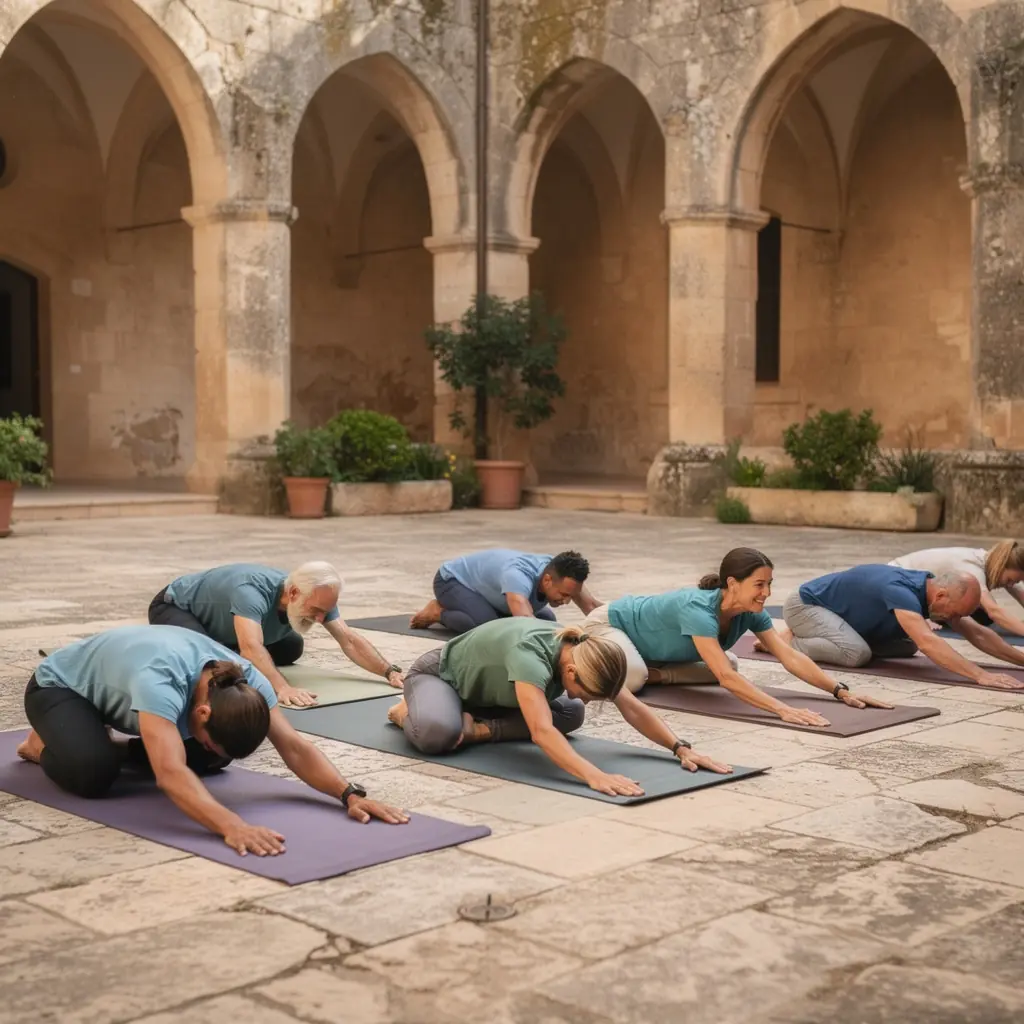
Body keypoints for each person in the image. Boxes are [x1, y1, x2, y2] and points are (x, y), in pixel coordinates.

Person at [17, 625, 408, 856]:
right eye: (204, 736)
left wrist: (350, 794)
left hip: (122, 687)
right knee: (92, 773)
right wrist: (230, 825)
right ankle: (45, 744)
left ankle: (101, 742)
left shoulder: (248, 683)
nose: (202, 742)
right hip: (62, 687)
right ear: (202, 713)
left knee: (211, 759)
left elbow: (294, 745)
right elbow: (169, 773)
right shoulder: (162, 681)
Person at [385, 618, 731, 797]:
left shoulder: (585, 652)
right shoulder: (531, 658)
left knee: (571, 713)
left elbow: (632, 706)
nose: (582, 696)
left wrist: (681, 747)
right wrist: (594, 775)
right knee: (437, 735)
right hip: (442, 676)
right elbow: (540, 732)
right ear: (569, 671)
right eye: (585, 691)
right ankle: (407, 711)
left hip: (493, 694)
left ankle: (478, 729)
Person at [582, 548, 893, 728]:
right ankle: (642, 670)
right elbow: (726, 681)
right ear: (733, 583)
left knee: (729, 661)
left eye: (769, 584)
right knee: (633, 677)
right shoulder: (698, 609)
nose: (767, 594)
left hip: (650, 648)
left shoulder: (749, 612)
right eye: (759, 585)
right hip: (610, 625)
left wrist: (839, 691)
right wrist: (781, 709)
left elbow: (789, 656)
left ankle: (657, 673)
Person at [149, 561, 406, 708]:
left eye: (323, 612)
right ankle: (215, 648)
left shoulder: (318, 596)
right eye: (315, 611)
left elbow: (348, 638)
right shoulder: (251, 592)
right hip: (174, 606)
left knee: (292, 646)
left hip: (227, 626)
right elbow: (250, 646)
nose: (320, 619)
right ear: (293, 593)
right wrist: (282, 687)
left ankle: (226, 648)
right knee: (207, 663)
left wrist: (388, 671)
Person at [775, 564, 1024, 690]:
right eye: (956, 613)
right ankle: (785, 642)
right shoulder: (901, 592)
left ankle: (812, 635)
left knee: (907, 646)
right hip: (806, 606)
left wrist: (1021, 660)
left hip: (843, 617)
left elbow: (977, 632)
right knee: (856, 654)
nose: (955, 619)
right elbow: (929, 642)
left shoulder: (930, 588)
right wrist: (981, 675)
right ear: (941, 596)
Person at [410, 548, 599, 635]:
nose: (566, 601)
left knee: (548, 620)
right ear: (547, 580)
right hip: (452, 581)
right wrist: (572, 637)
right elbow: (526, 627)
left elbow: (592, 607)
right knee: (488, 627)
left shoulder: (561, 573)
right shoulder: (518, 576)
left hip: (490, 592)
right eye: (564, 595)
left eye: (571, 596)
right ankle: (438, 612)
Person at [889, 540, 1024, 636]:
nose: (1011, 585)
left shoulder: (994, 562)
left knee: (980, 616)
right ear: (1000, 567)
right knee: (980, 613)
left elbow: (1020, 592)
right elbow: (994, 611)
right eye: (1010, 580)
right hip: (897, 578)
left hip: (927, 587)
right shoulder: (972, 569)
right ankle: (926, 614)